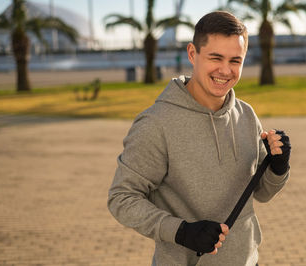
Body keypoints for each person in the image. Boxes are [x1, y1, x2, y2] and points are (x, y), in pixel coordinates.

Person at [108, 11, 291, 266]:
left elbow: (262, 193)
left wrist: (278, 168)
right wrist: (181, 231)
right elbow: (122, 198)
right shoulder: (156, 123)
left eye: (235, 60)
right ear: (193, 54)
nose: (225, 70)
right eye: (215, 57)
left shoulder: (246, 115)